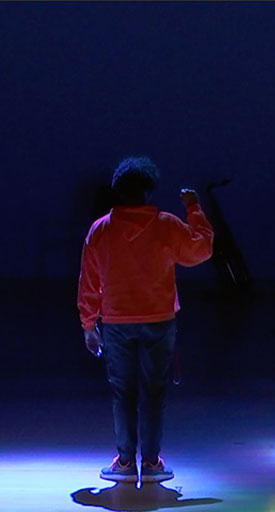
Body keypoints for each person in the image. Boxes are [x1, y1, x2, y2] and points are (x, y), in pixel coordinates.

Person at [77, 156, 213, 484]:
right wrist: (194, 208)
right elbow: (201, 249)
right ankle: (151, 463)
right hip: (159, 320)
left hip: (116, 322)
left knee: (123, 391)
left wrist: (88, 325)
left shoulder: (101, 229)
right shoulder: (166, 224)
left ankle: (125, 462)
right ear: (149, 191)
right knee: (153, 392)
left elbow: (88, 281)